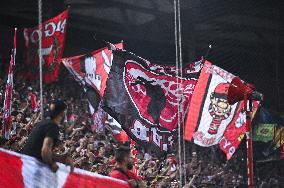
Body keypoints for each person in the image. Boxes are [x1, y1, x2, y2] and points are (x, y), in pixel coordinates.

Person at [22, 99, 74, 173]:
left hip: (25, 163)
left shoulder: (43, 123)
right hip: (31, 166)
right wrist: (52, 164)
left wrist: (63, 158)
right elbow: (45, 152)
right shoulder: (53, 126)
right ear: (62, 113)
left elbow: (39, 151)